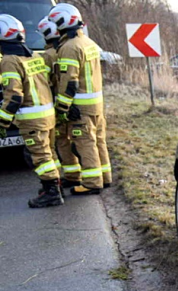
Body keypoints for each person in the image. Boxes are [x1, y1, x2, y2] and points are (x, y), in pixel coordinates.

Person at [0, 14, 62, 208]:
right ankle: (55, 185)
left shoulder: (9, 61)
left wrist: (2, 121)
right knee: (49, 153)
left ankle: (51, 193)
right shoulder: (34, 55)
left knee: (40, 156)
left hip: (32, 118)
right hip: (47, 114)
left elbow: (14, 96)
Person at [48, 3, 106, 195]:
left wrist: (62, 108)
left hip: (80, 106)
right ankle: (104, 178)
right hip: (96, 104)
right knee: (98, 141)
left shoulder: (70, 48)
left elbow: (69, 82)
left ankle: (91, 183)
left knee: (85, 143)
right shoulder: (89, 43)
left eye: (56, 23)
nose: (55, 28)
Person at [37, 17, 73, 185]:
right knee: (70, 139)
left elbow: (43, 83)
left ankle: (64, 176)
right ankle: (74, 173)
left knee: (60, 141)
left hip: (55, 104)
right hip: (71, 102)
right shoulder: (66, 49)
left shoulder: (47, 56)